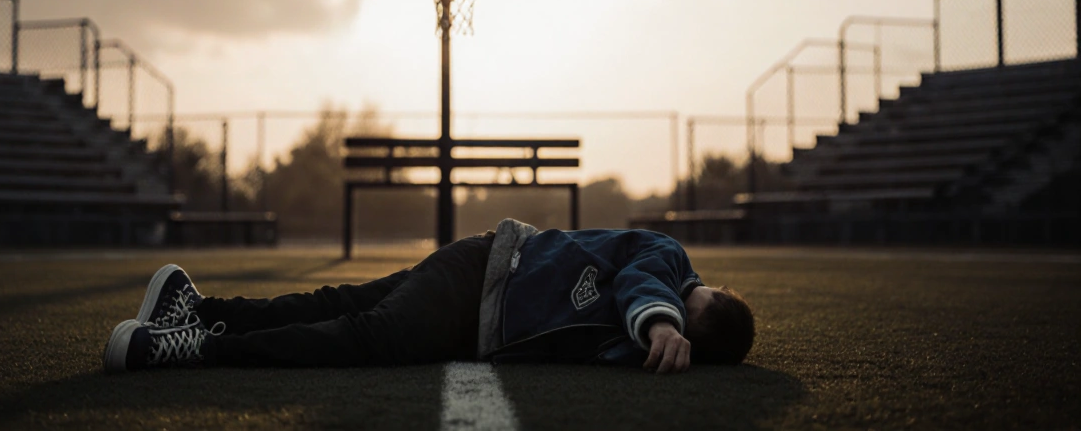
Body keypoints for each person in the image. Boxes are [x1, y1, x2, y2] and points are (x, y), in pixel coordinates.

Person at [103, 219, 755, 374]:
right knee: (370, 337)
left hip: (475, 315)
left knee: (343, 305)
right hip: (483, 274)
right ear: (705, 292)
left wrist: (665, 338)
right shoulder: (669, 264)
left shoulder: (638, 351)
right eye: (688, 309)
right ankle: (179, 348)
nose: (677, 314)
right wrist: (665, 319)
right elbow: (647, 286)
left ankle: (197, 306)